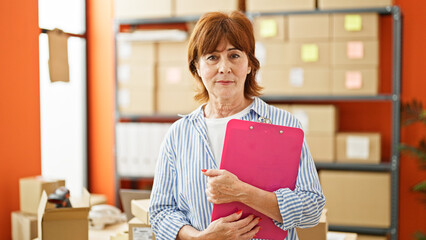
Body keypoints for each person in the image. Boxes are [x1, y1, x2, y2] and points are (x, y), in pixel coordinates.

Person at [149, 10, 325, 240]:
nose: (224, 68)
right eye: (212, 57)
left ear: (250, 64)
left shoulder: (283, 125)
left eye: (234, 55)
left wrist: (243, 192)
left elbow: (312, 208)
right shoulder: (179, 133)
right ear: (197, 67)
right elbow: (160, 212)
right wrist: (199, 238)